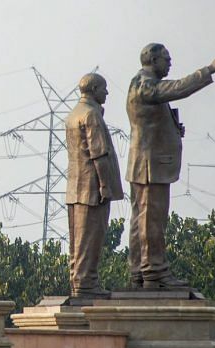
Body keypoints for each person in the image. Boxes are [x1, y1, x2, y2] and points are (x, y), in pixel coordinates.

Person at [126, 43, 215, 288]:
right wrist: (210, 69)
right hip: (150, 165)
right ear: (153, 59)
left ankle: (140, 271)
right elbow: (177, 88)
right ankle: (153, 271)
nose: (170, 62)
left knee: (142, 218)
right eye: (166, 58)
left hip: (147, 163)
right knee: (151, 219)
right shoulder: (144, 84)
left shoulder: (144, 84)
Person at [65, 73, 123, 297]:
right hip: (92, 186)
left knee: (77, 242)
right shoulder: (91, 114)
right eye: (104, 88)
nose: (107, 93)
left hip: (74, 187)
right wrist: (106, 185)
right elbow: (99, 154)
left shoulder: (73, 115)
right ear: (95, 88)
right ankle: (87, 285)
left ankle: (79, 282)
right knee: (90, 238)